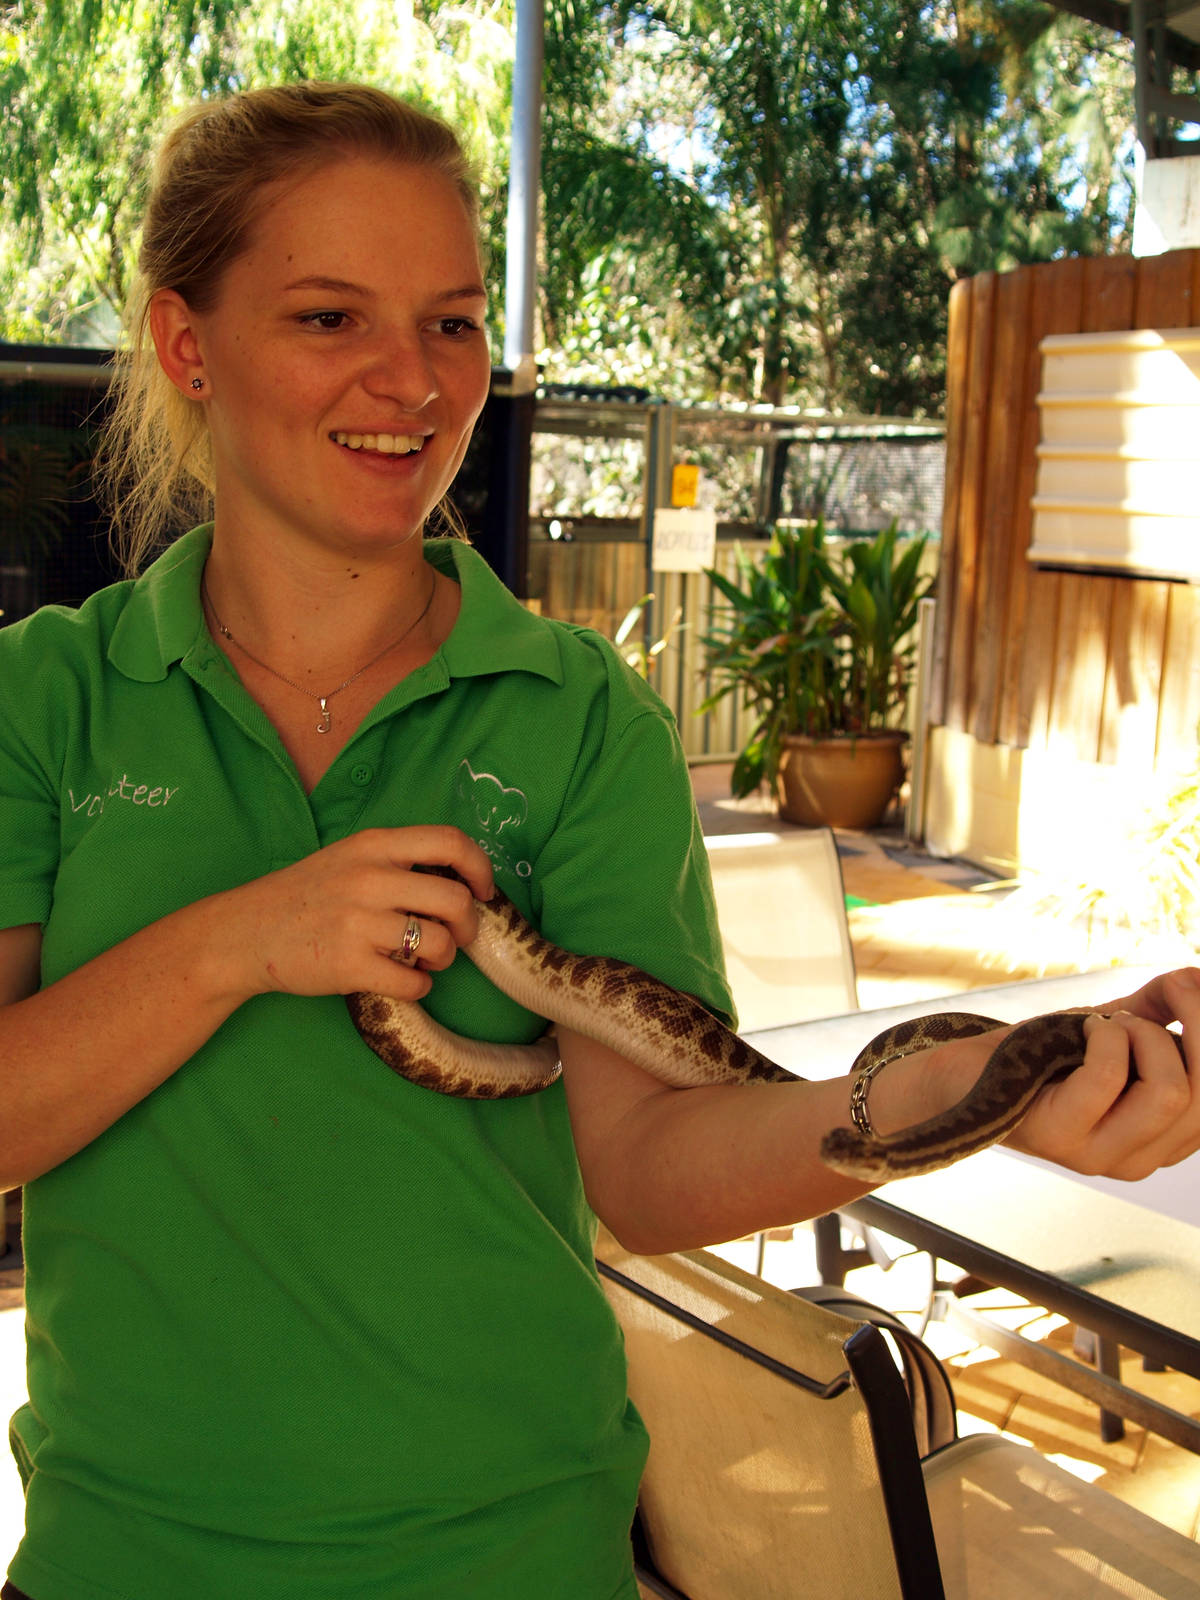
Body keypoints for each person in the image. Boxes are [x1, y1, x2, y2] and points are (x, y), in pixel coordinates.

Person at [0, 80, 1197, 1600]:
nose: (412, 380)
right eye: (326, 318)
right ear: (188, 345)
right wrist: (244, 940)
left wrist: (969, 1095)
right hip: (129, 1557)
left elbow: (649, 1161)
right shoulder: (47, 697)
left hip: (513, 1550)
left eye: (449, 322)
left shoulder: (577, 721)